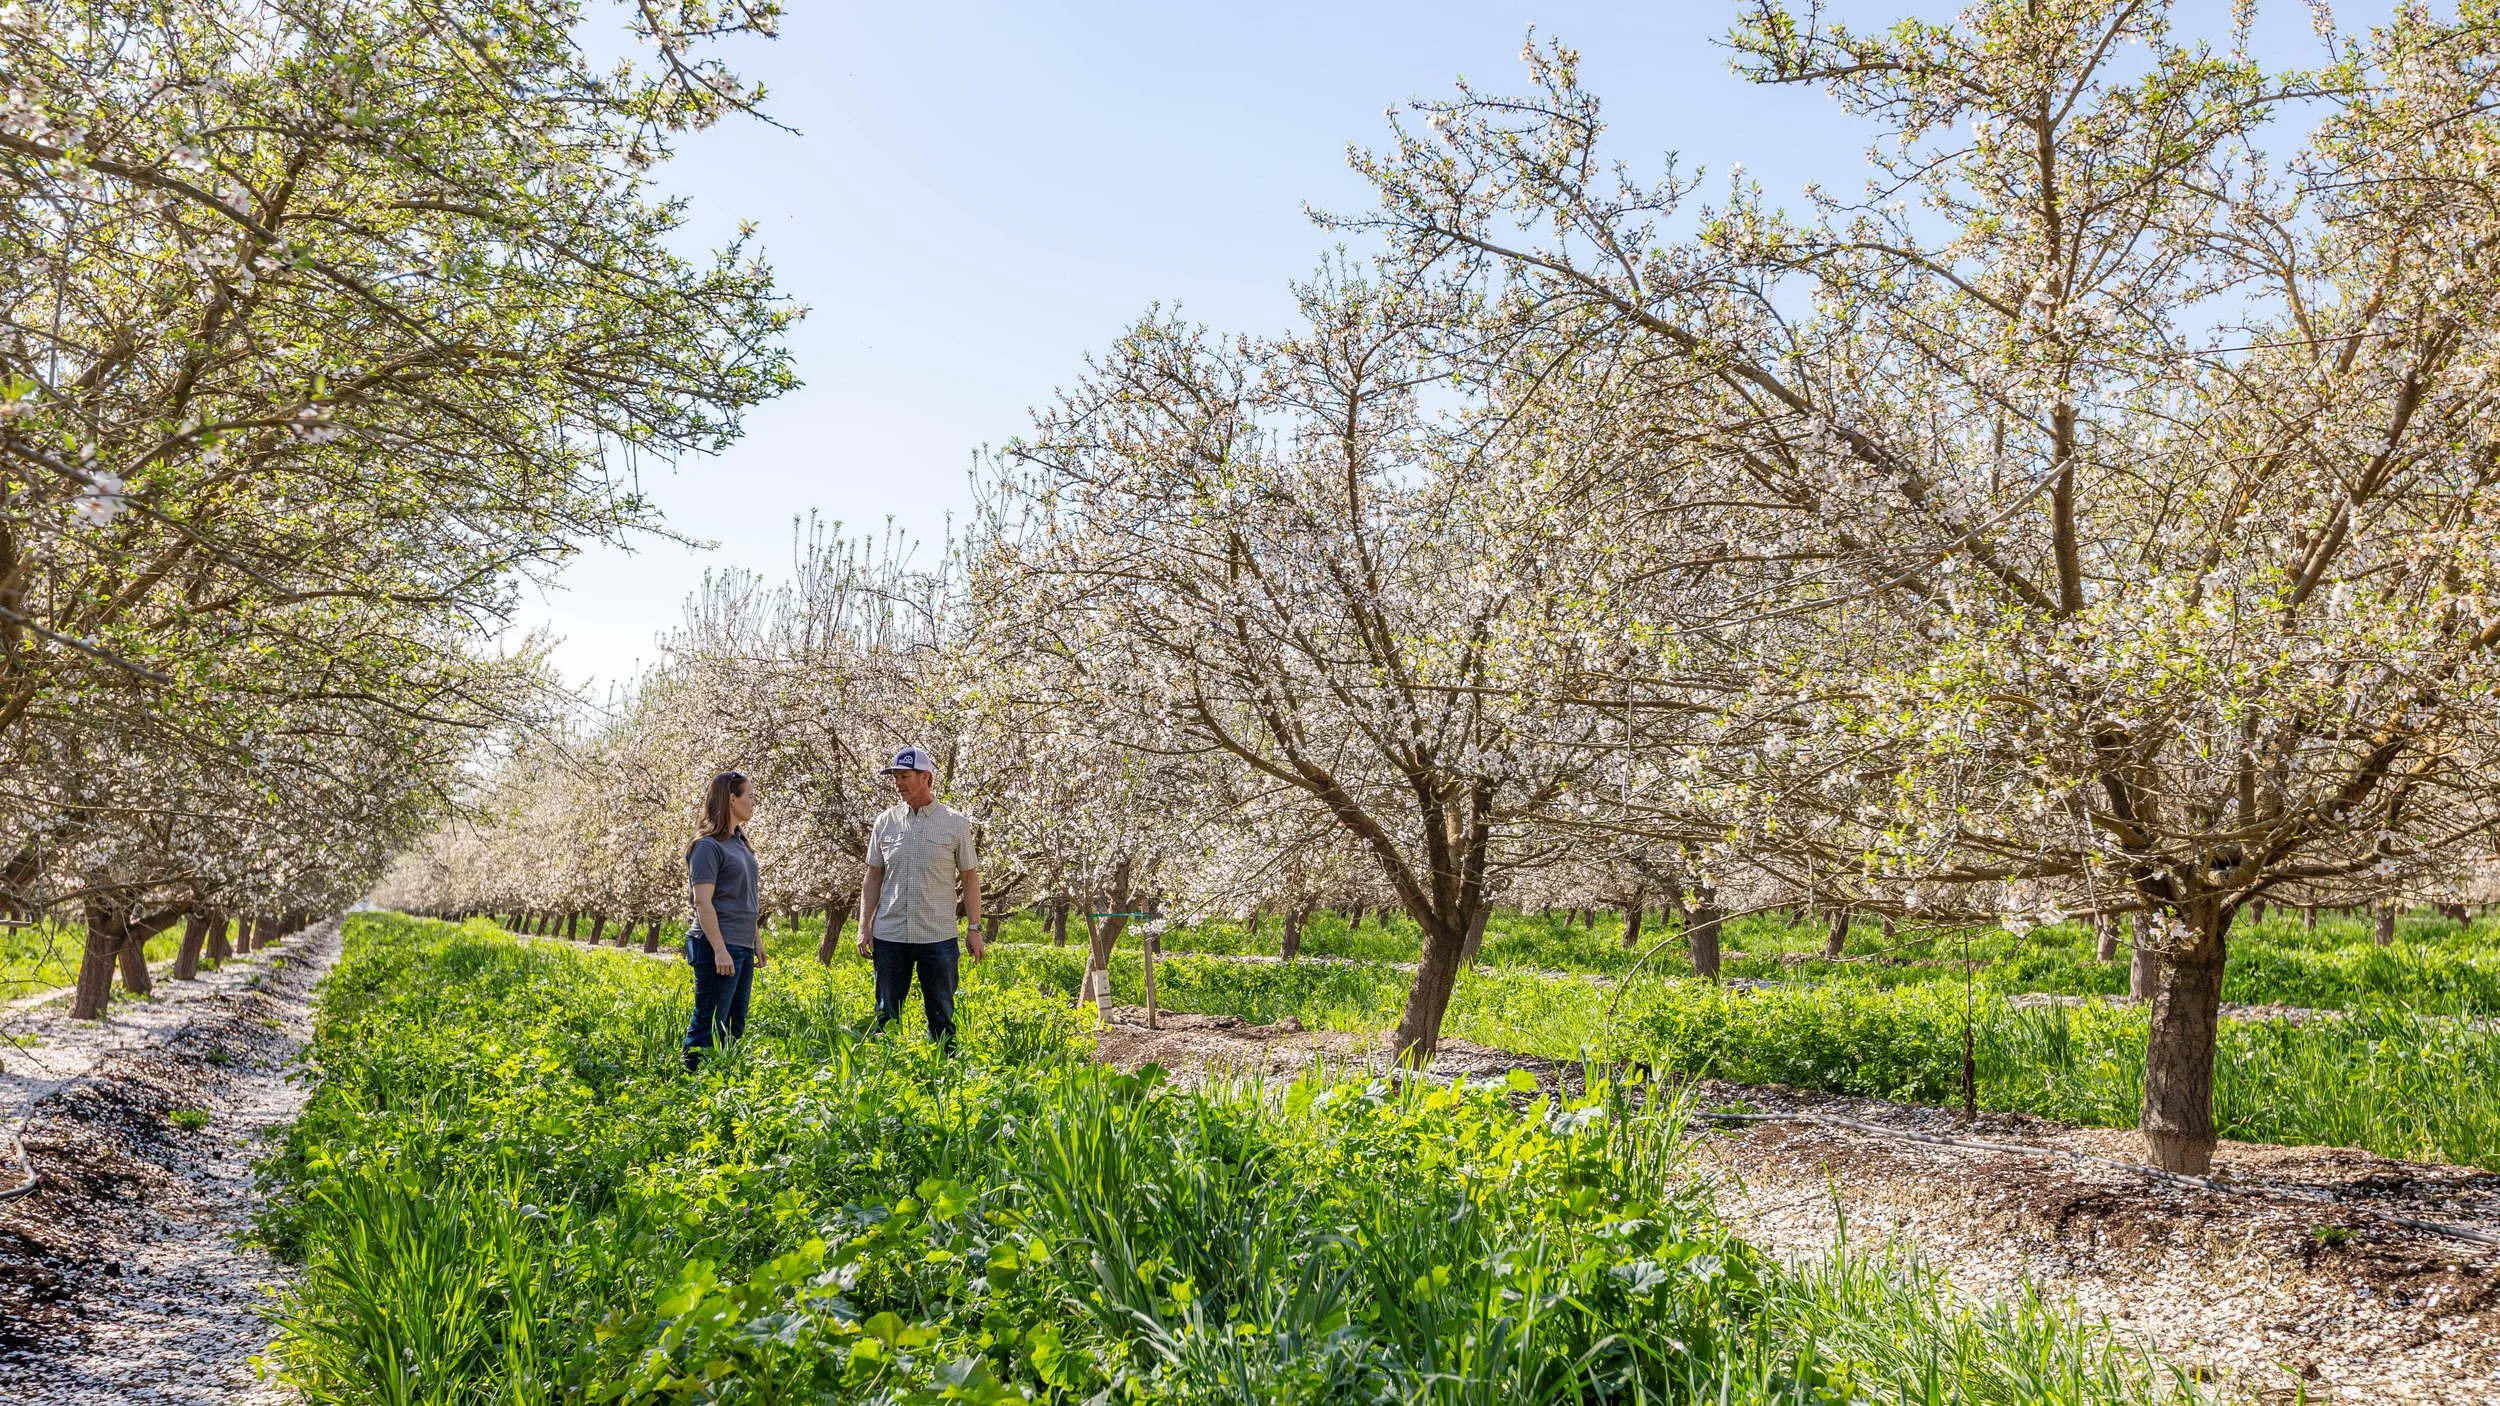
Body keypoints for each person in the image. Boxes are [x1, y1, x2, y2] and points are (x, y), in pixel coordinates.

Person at [857, 745, 983, 1043]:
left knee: (941, 1013)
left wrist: (975, 928)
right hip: (891, 935)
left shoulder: (955, 822)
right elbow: (873, 876)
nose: (898, 783)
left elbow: (969, 876)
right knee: (886, 1014)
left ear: (925, 777)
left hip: (937, 936)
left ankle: (944, 1073)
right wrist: (864, 926)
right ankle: (885, 1075)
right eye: (896, 777)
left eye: (905, 776)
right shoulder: (885, 822)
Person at [684, 769, 766, 1071]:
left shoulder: (740, 842)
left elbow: (745, 896)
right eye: (750, 796)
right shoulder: (707, 846)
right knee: (709, 1022)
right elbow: (703, 903)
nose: (753, 802)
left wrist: (755, 939)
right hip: (716, 945)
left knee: (734, 1024)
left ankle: (722, 1084)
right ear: (732, 799)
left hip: (741, 944)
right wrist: (719, 949)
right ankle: (691, 1084)